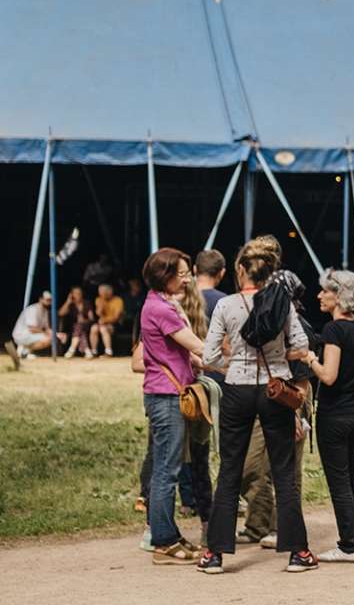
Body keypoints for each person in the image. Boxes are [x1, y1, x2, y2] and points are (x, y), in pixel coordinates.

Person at [198, 236, 317, 574]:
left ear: (240, 270)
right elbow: (301, 345)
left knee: (230, 470)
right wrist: (278, 356)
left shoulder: (226, 305)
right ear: (270, 271)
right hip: (274, 388)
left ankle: (215, 554)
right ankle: (298, 552)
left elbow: (208, 356)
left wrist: (231, 363)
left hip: (236, 388)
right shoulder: (282, 303)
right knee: (283, 471)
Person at [289, 268, 354, 561]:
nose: (319, 296)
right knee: (351, 478)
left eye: (325, 291)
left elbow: (328, 376)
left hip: (335, 414)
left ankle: (347, 545)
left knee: (338, 481)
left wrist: (309, 358)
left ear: (338, 296)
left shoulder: (333, 330)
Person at [138, 248, 208, 563]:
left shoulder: (161, 303)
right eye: (181, 273)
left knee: (167, 467)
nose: (187, 278)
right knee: (167, 470)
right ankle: (163, 541)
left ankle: (168, 533)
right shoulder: (161, 308)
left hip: (167, 393)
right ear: (164, 275)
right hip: (166, 396)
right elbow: (194, 345)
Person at [6, 291, 54, 366]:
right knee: (47, 338)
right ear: (41, 299)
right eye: (47, 300)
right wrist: (47, 334)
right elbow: (32, 329)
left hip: (31, 335)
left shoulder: (45, 311)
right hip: (22, 334)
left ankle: (24, 351)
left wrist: (56, 334)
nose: (49, 302)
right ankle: (23, 348)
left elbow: (47, 328)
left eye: (50, 300)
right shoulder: (33, 309)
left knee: (51, 338)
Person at [58, 285, 93, 358]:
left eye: (79, 293)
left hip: (86, 325)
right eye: (76, 293)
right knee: (80, 330)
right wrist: (68, 301)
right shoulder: (70, 304)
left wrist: (84, 320)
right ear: (72, 294)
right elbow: (60, 313)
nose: (78, 295)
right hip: (73, 328)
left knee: (79, 326)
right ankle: (87, 350)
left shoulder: (86, 303)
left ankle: (71, 349)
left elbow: (91, 318)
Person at [91, 282, 124, 356]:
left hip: (116, 324)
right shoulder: (99, 299)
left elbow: (116, 317)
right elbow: (98, 314)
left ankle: (108, 351)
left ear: (109, 292)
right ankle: (94, 351)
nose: (101, 294)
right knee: (94, 328)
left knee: (103, 329)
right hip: (102, 323)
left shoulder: (118, 300)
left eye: (102, 292)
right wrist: (101, 307)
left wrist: (104, 320)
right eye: (100, 292)